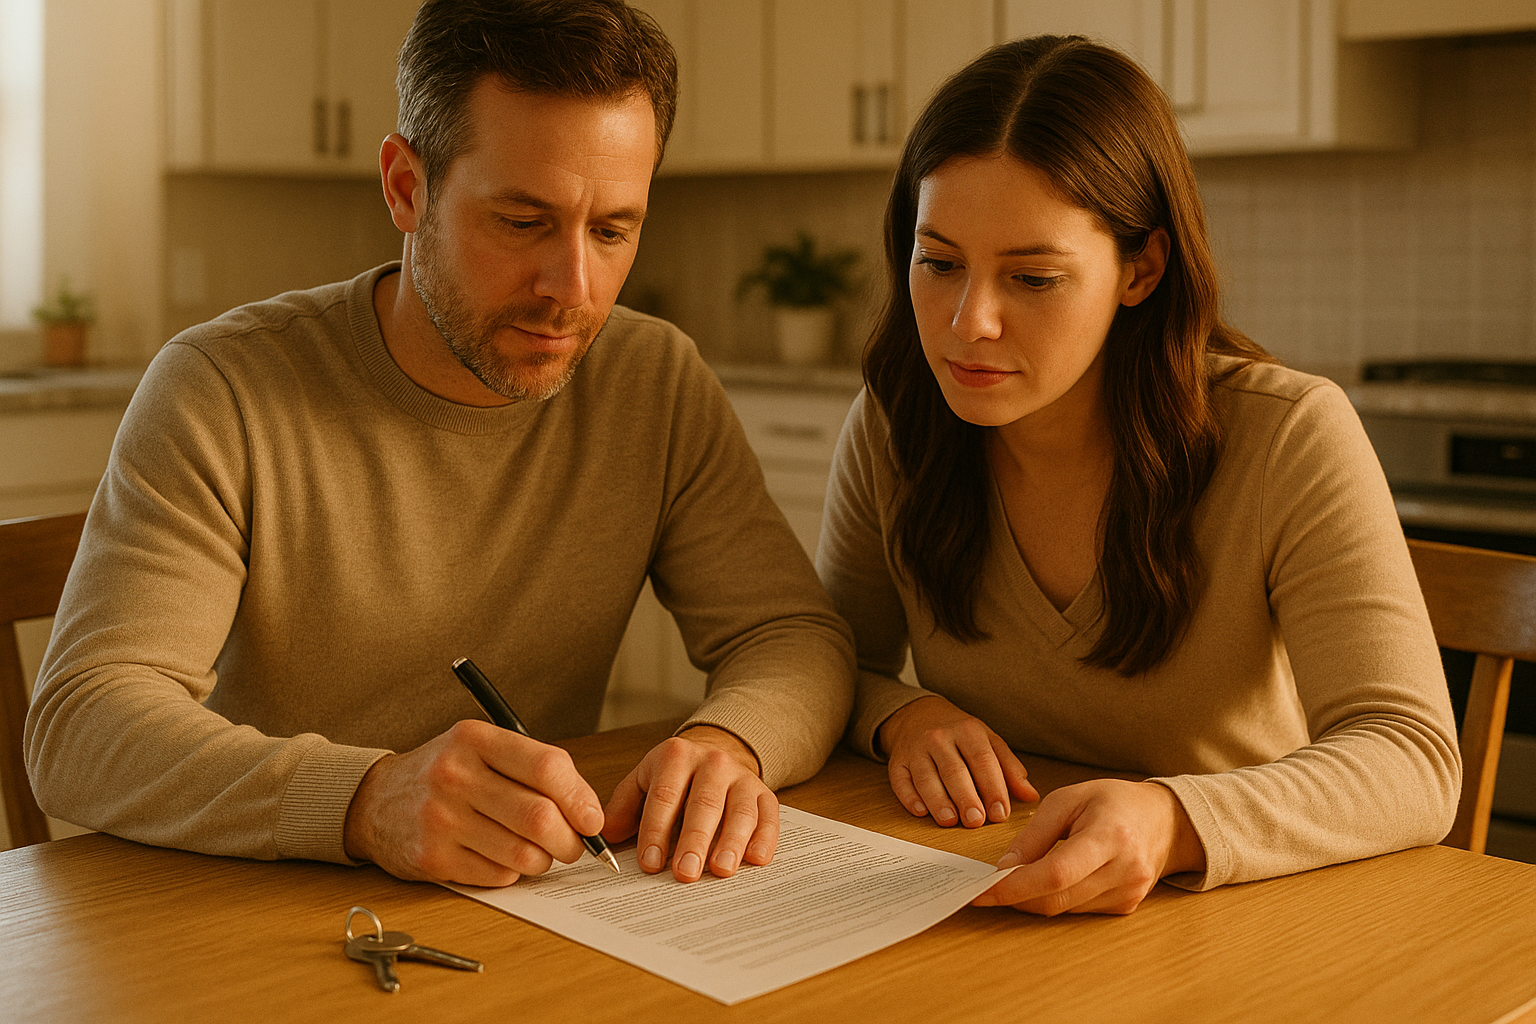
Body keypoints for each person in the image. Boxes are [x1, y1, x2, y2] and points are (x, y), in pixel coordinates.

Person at [25, 0, 855, 889]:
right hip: (266, 907)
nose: (572, 288)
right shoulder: (221, 389)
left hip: (530, 904)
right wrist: (365, 799)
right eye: (524, 221)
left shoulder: (654, 381)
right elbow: (83, 721)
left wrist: (730, 740)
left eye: (613, 229)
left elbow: (793, 636)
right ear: (404, 187)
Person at [816, 35, 1460, 916]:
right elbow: (825, 664)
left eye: (1033, 277)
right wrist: (904, 716)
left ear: (1141, 269)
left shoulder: (1287, 436)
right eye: (939, 263)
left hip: (1238, 916)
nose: (970, 323)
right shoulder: (897, 423)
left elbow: (1411, 756)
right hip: (994, 896)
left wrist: (1173, 818)